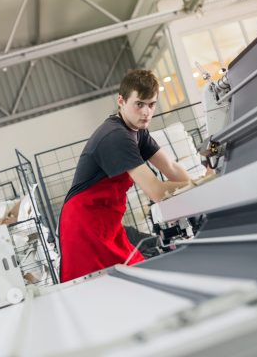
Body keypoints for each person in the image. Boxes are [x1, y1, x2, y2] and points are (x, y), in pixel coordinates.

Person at [59, 69, 196, 283]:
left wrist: (200, 188)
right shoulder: (116, 136)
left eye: (151, 105)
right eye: (139, 104)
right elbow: (156, 191)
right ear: (121, 101)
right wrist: (198, 184)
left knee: (133, 276)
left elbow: (170, 166)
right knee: (103, 289)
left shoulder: (138, 131)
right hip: (85, 226)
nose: (146, 112)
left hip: (107, 223)